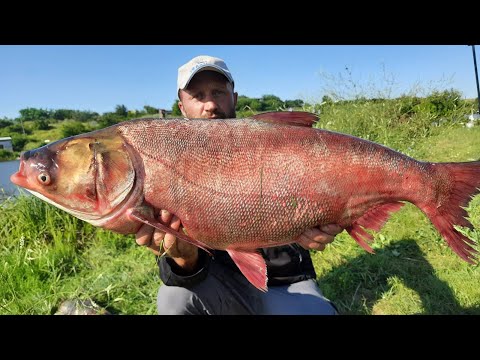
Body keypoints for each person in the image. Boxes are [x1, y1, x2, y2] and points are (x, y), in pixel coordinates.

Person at [135, 55, 343, 315]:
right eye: (198, 96)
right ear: (182, 108)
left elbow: (324, 197)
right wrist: (184, 257)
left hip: (285, 282)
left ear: (234, 97)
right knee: (173, 299)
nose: (210, 104)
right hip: (220, 284)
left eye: (218, 92)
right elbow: (177, 273)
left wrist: (327, 220)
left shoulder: (270, 142)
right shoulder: (168, 163)